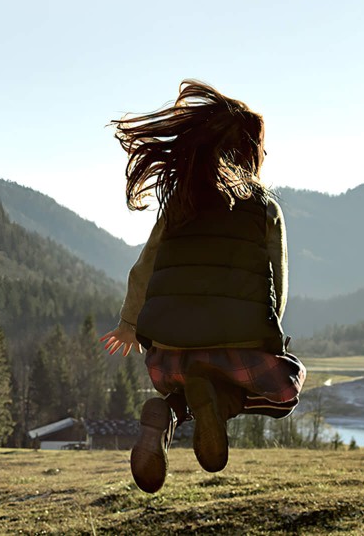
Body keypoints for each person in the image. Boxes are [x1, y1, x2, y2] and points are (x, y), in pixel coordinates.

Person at [98, 80, 305, 494]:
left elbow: (144, 268)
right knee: (287, 390)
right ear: (249, 152)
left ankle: (167, 414)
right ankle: (221, 405)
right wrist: (269, 336)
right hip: (240, 352)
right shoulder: (264, 206)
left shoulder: (179, 206)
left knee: (189, 380)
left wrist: (128, 323)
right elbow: (277, 282)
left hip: (168, 362)